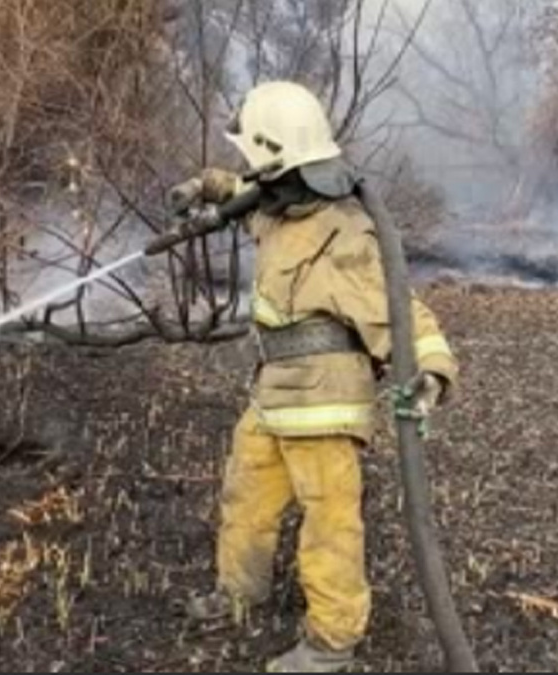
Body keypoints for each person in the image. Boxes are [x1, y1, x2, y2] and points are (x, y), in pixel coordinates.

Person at [162, 81, 461, 673]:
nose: (249, 170)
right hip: (274, 394)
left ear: (283, 163)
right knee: (245, 495)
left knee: (329, 526)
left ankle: (332, 642)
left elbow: (400, 312)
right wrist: (202, 186)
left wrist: (430, 373)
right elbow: (241, 188)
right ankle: (238, 592)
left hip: (324, 408)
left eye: (255, 158)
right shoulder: (276, 206)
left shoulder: (344, 238)